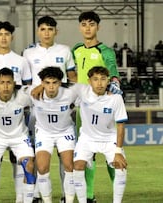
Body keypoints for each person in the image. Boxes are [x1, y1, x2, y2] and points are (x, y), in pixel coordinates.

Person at [23, 15, 76, 203]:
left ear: (56, 31)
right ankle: (38, 195)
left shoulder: (65, 50)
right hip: (38, 110)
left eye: (50, 29)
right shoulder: (28, 53)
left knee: (67, 160)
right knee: (38, 160)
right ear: (38, 31)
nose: (47, 33)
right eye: (43, 29)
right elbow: (26, 83)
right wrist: (36, 89)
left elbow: (72, 78)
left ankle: (65, 196)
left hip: (62, 109)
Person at [71, 11, 121, 203]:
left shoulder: (105, 51)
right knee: (86, 153)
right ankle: (90, 196)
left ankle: (117, 196)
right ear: (80, 27)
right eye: (84, 24)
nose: (87, 28)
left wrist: (114, 85)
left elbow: (113, 73)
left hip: (103, 109)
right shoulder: (75, 49)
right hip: (83, 109)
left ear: (98, 27)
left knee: (111, 151)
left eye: (91, 24)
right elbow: (71, 72)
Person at [0, 21, 32, 203]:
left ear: (12, 37)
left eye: (7, 34)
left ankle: (20, 197)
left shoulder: (21, 61)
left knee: (16, 156)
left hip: (16, 112)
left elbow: (26, 87)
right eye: (0, 34)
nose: (3, 37)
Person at [73, 66, 128, 203]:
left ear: (108, 81)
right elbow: (59, 87)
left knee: (120, 166)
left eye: (103, 79)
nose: (99, 83)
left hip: (109, 139)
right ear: (89, 81)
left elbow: (120, 125)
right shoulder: (82, 94)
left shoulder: (116, 98)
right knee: (78, 166)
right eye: (95, 79)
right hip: (87, 139)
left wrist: (118, 150)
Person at [0, 68, 35, 203]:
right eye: (2, 83)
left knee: (29, 165)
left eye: (9, 83)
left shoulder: (23, 98)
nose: (5, 86)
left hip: (19, 137)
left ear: (14, 83)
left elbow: (36, 90)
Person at [32, 67, 77, 203]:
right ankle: (47, 200)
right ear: (42, 83)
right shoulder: (32, 93)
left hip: (65, 132)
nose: (51, 87)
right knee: (42, 167)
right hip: (44, 133)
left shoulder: (70, 93)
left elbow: (88, 91)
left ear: (60, 82)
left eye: (55, 83)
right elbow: (12, 89)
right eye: (47, 83)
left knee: (69, 166)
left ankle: (68, 200)